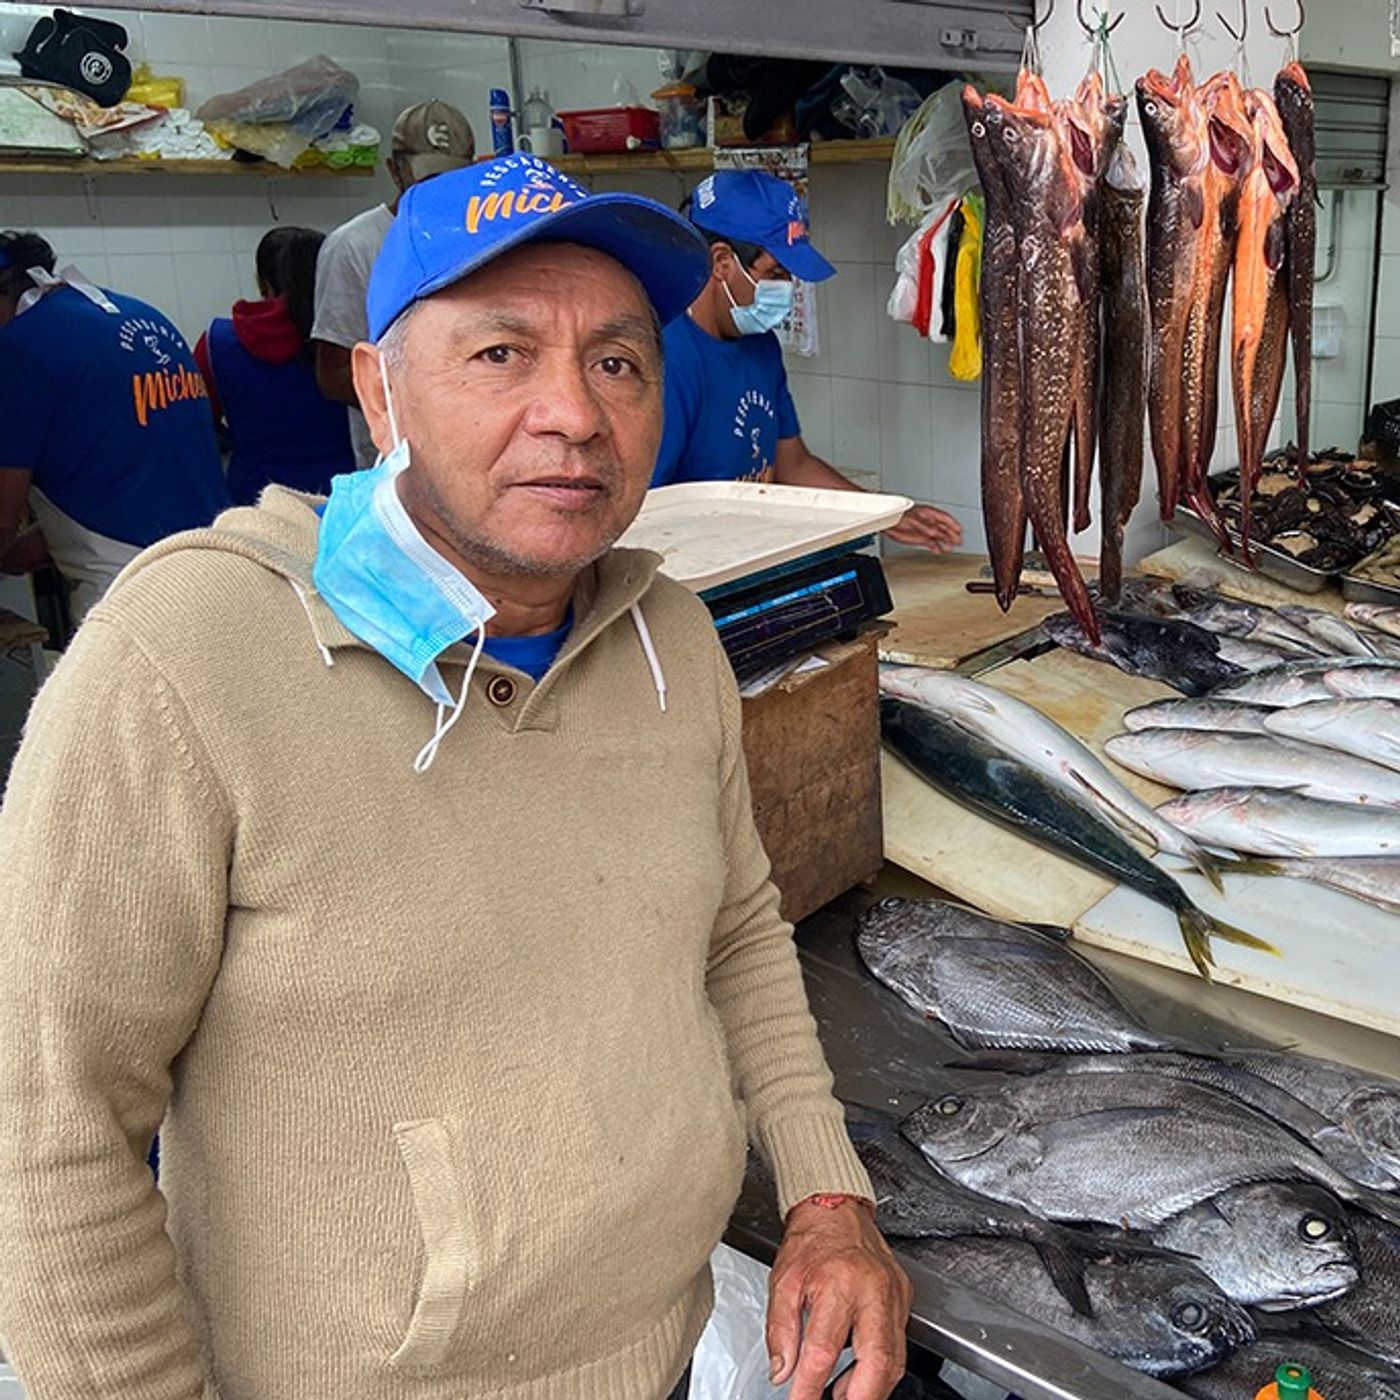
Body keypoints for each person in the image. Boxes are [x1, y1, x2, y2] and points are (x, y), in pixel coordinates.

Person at [0, 154, 911, 1400]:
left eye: (617, 360)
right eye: (499, 354)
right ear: (380, 392)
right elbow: (46, 1132)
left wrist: (823, 1191)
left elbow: (737, 931)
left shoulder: (670, 638)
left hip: (663, 1357)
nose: (575, 414)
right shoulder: (188, 656)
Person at [653, 170, 963, 553]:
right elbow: (646, 510)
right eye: (775, 273)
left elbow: (793, 464)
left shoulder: (761, 346)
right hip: (691, 572)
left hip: (748, 561)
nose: (785, 289)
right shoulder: (666, 360)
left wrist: (886, 514)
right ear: (721, 262)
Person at [0, 230, 228, 623]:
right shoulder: (143, 315)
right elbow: (124, 477)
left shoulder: (18, 347)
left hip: (130, 596)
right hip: (219, 563)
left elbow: (4, 515)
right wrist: (33, 546)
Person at [312, 98, 475, 467]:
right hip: (395, 466)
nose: (439, 189)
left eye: (451, 178)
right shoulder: (355, 246)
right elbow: (333, 374)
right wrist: (427, 401)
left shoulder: (484, 237)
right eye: (428, 176)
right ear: (394, 170)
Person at [195, 226, 355, 505]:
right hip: (344, 499)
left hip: (255, 503)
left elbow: (198, 425)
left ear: (263, 281)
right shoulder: (344, 338)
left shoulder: (216, 343)